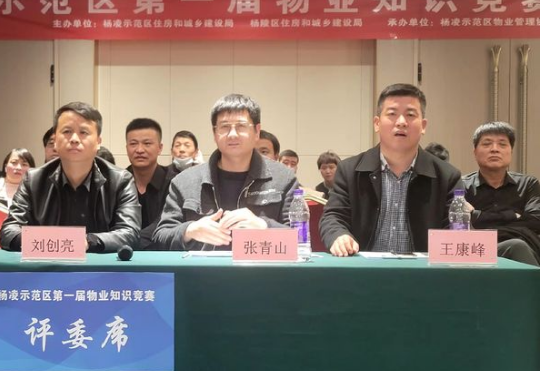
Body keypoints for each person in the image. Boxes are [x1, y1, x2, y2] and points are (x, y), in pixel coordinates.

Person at [319, 83, 462, 257]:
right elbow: (333, 216)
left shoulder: (447, 177)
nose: (401, 122)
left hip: (424, 270)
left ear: (423, 126)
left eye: (410, 115)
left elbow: (456, 229)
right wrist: (339, 235)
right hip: (363, 269)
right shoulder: (349, 171)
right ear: (377, 123)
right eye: (392, 114)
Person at [153, 94, 298, 250]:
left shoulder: (284, 179)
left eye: (241, 126)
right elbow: (160, 237)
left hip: (260, 266)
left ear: (256, 131)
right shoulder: (184, 182)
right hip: (203, 266)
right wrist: (190, 230)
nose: (233, 134)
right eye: (224, 127)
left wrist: (264, 227)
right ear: (215, 133)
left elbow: (301, 241)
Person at [0, 102, 141, 252]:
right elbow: (8, 231)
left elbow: (130, 233)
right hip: (45, 265)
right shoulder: (33, 180)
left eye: (83, 132)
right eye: (67, 131)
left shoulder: (120, 180)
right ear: (55, 140)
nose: (74, 139)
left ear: (98, 142)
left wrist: (87, 242)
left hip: (100, 266)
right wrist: (54, 243)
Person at [463, 122, 540, 266]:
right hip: (477, 251)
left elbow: (536, 222)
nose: (494, 149)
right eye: (487, 144)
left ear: (511, 151)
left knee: (519, 246)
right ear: (475, 152)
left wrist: (477, 216)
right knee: (517, 245)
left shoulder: (528, 184)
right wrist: (513, 216)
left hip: (526, 250)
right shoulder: (461, 185)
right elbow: (459, 224)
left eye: (502, 144)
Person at [125, 118, 174, 249]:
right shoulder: (117, 183)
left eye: (147, 143)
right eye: (133, 144)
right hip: (119, 256)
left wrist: (130, 242)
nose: (139, 150)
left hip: (164, 255)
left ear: (160, 148)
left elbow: (165, 223)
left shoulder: (174, 183)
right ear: (126, 148)